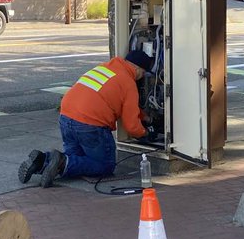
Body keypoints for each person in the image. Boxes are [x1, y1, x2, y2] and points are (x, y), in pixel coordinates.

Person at [19, 50, 152, 187]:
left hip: (66, 117)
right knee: (105, 166)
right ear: (136, 68)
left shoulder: (104, 68)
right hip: (90, 126)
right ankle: (62, 162)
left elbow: (115, 98)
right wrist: (146, 133)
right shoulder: (128, 83)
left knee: (77, 158)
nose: (141, 77)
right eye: (142, 73)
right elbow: (132, 127)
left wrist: (144, 116)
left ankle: (42, 161)